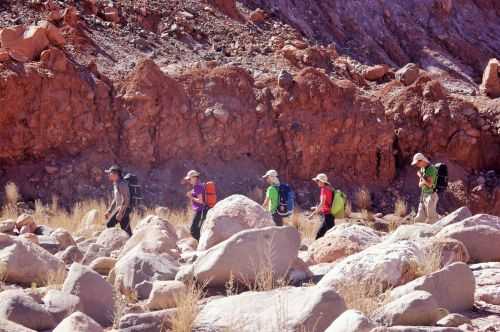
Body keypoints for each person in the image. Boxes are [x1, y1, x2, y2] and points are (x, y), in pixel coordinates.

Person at [104, 165, 132, 236]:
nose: (108, 175)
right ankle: (129, 242)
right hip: (121, 208)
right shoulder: (116, 183)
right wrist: (109, 210)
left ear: (116, 174)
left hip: (124, 208)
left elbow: (126, 199)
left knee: (109, 225)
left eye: (110, 173)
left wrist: (120, 212)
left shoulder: (122, 184)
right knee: (126, 230)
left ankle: (112, 243)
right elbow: (116, 199)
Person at [412, 153, 439, 223]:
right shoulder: (422, 169)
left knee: (431, 219)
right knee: (418, 219)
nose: (417, 165)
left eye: (417, 163)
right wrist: (423, 180)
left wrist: (421, 177)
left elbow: (430, 185)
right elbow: (420, 184)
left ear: (421, 161)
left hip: (431, 195)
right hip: (423, 195)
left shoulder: (431, 169)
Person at [309, 173, 334, 239]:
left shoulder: (324, 190)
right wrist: (316, 207)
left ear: (322, 181)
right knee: (327, 234)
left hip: (327, 216)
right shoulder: (329, 189)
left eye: (318, 181)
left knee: (319, 235)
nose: (317, 182)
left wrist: (313, 214)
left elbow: (322, 204)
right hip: (330, 215)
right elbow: (326, 203)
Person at [185, 170, 208, 241]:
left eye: (190, 179)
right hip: (202, 210)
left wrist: (191, 197)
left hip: (200, 211)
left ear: (195, 178)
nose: (189, 180)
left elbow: (201, 201)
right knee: (197, 229)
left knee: (194, 230)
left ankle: (201, 244)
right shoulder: (199, 185)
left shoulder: (197, 187)